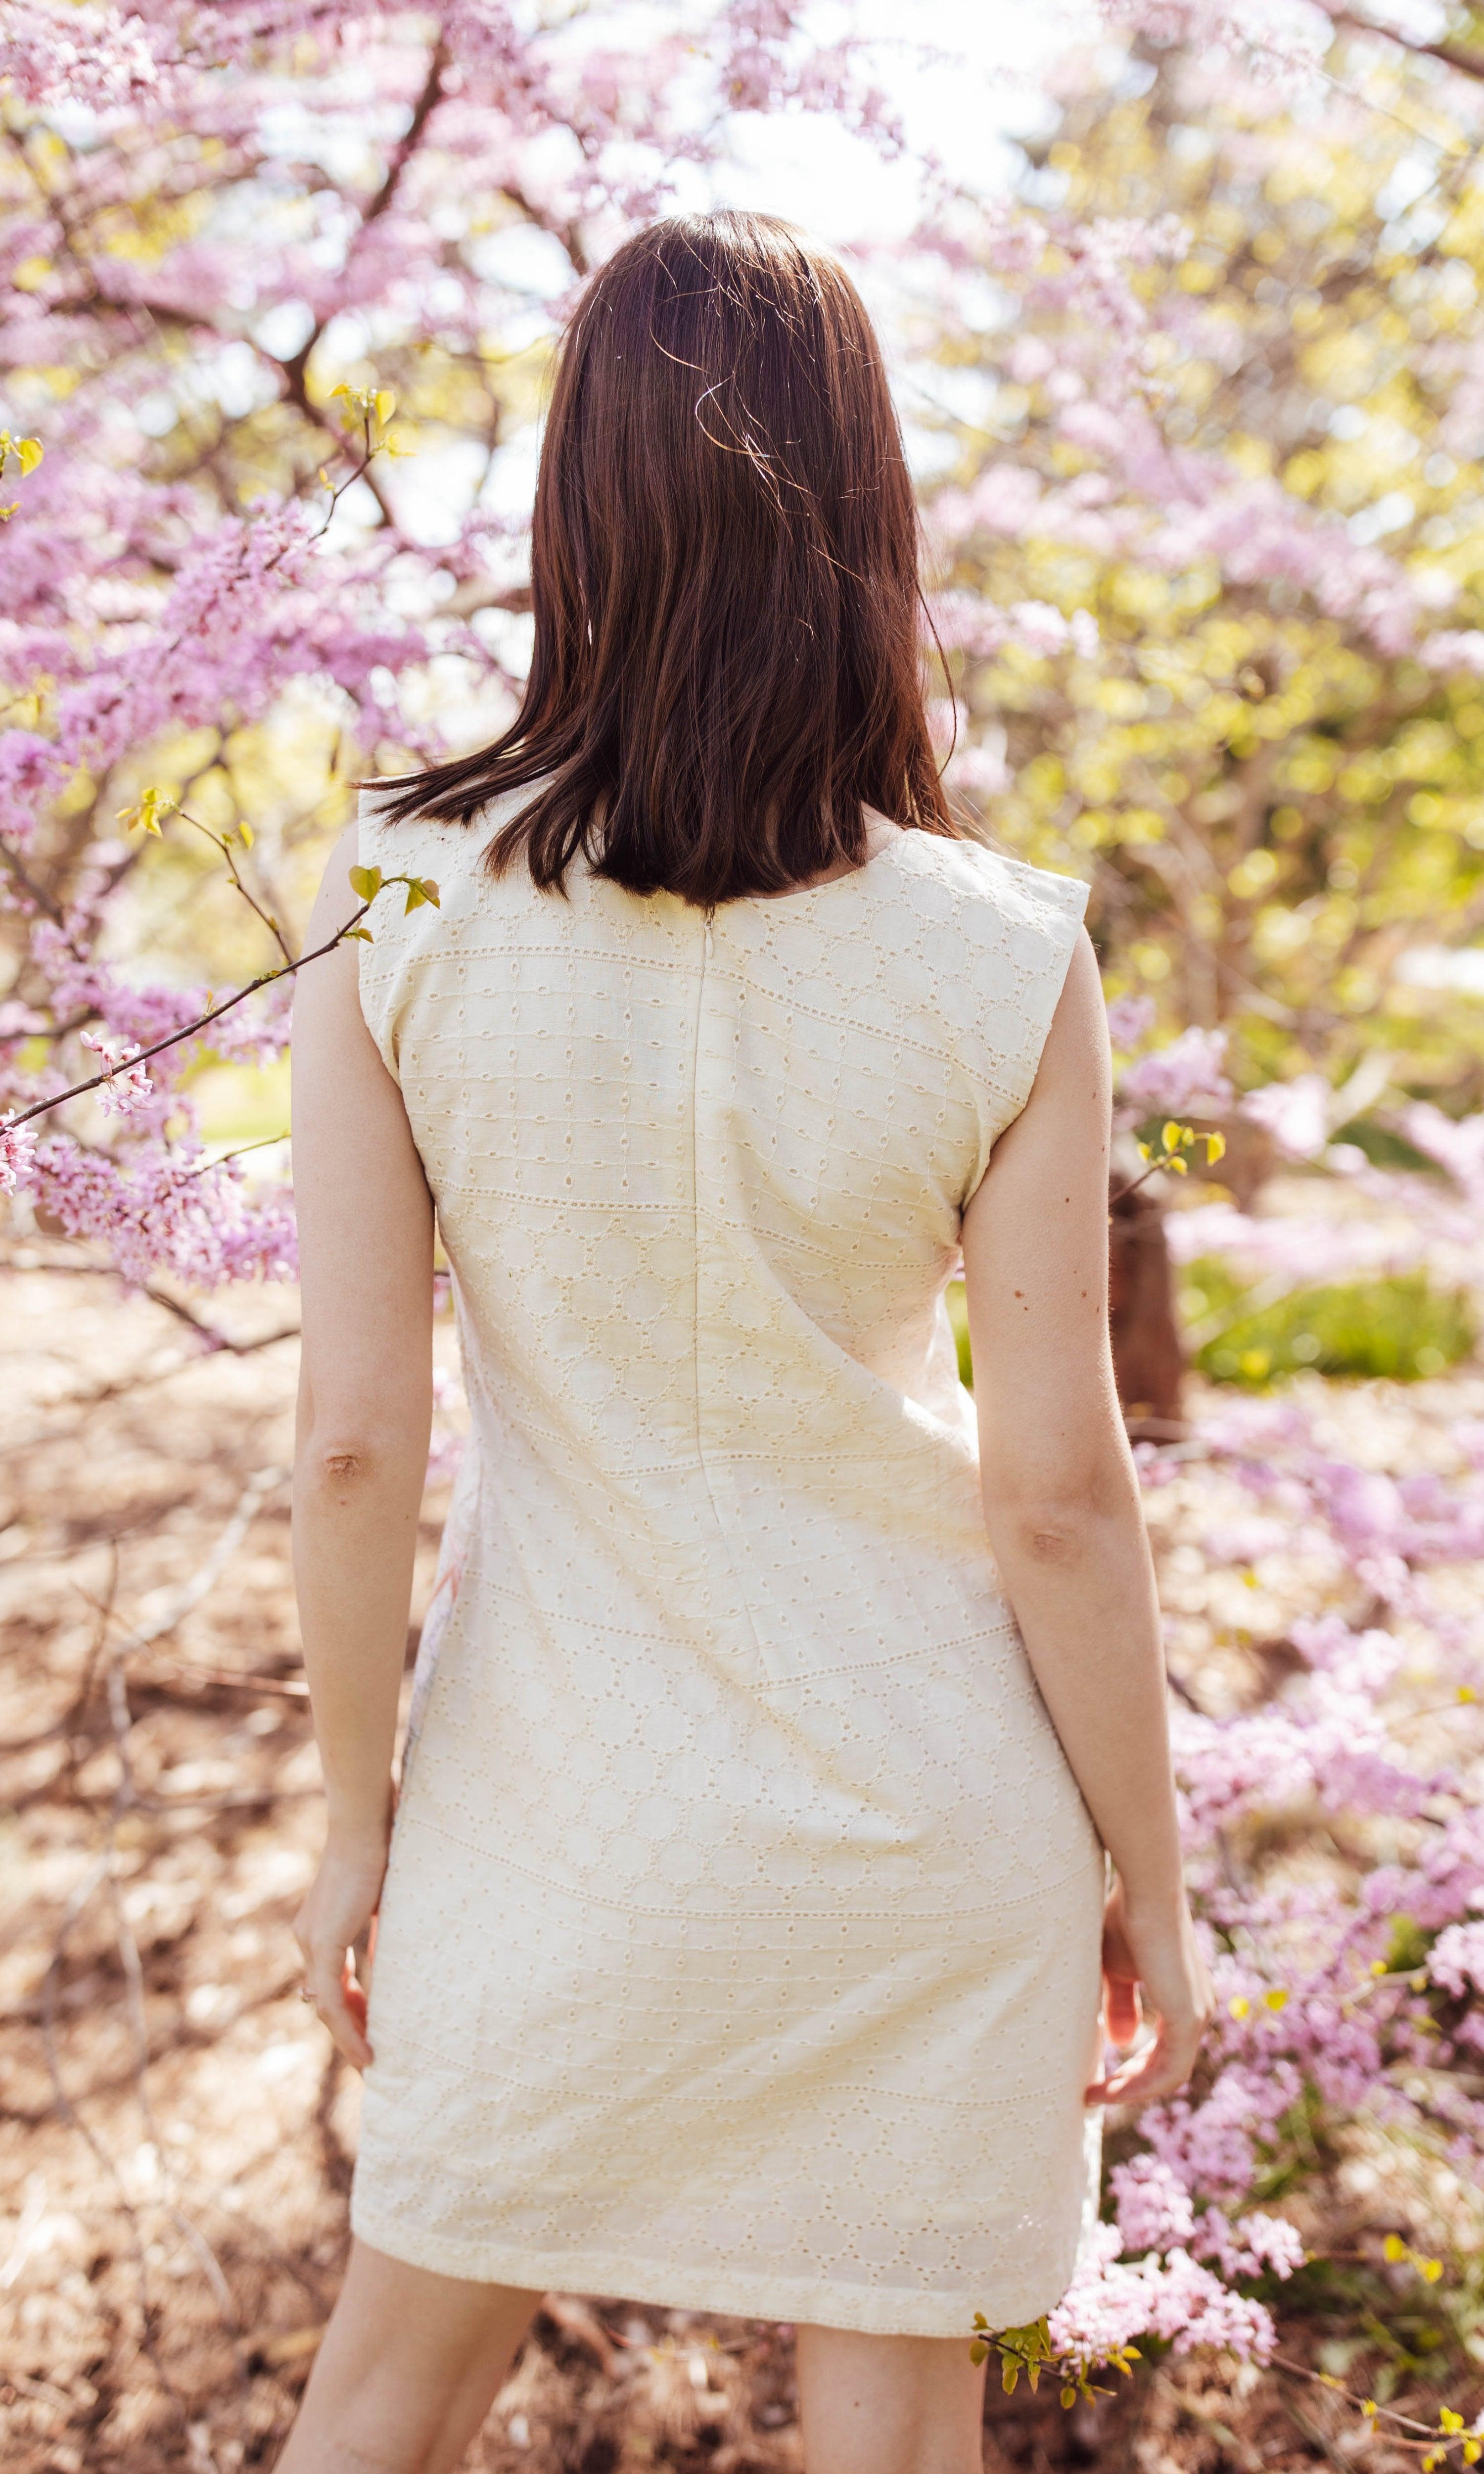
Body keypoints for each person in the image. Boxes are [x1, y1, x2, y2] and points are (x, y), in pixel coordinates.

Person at [279, 210, 1211, 2474]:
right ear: (869, 508)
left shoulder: (398, 892)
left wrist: (353, 1822)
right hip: (927, 1827)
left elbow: (353, 1442)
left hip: (554, 1824)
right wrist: (1152, 1880)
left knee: (383, 2407)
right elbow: (1058, 1493)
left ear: (572, 498)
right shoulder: (1003, 948)